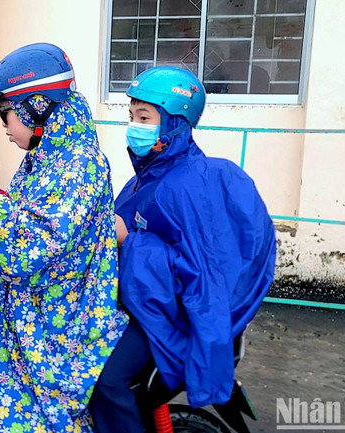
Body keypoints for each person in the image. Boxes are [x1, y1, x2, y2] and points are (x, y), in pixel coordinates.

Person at [0, 42, 128, 433]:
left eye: (5, 113)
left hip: (56, 338)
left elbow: (29, 248)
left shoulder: (80, 164)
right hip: (31, 328)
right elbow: (18, 222)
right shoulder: (45, 158)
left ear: (36, 107)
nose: (4, 127)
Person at [89, 66, 277, 432]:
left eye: (145, 118)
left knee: (106, 382)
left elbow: (204, 274)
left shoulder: (192, 185)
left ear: (174, 123)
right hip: (139, 303)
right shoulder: (150, 175)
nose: (134, 126)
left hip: (173, 315)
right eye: (132, 116)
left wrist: (130, 241)